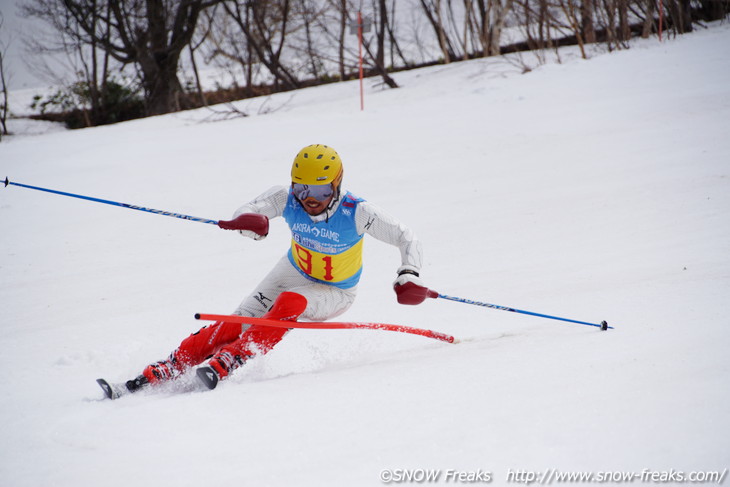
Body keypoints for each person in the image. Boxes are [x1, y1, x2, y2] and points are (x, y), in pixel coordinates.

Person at [100, 144, 433, 397]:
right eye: (302, 189)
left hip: (335, 291)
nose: (309, 199)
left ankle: (233, 359)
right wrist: (250, 222)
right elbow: (249, 210)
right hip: (293, 270)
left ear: (337, 183)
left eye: (319, 191)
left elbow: (407, 236)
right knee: (236, 321)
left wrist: (409, 274)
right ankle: (167, 366)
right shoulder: (285, 197)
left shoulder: (358, 212)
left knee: (288, 303)